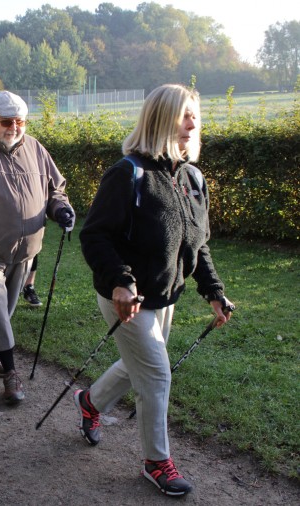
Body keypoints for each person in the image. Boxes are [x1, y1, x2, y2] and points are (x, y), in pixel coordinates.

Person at [77, 84, 234, 497]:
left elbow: (197, 245)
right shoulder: (128, 174)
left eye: (195, 115)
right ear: (161, 119)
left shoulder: (191, 177)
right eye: (184, 115)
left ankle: (89, 403)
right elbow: (95, 236)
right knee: (156, 376)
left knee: (139, 366)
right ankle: (156, 462)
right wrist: (120, 281)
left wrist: (214, 293)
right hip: (126, 301)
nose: (193, 123)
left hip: (166, 296)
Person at [0, 91, 75, 405]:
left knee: (2, 311)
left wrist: (60, 209)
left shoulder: (35, 148)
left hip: (25, 250)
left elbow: (55, 189)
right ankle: (10, 372)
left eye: (20, 121)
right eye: (7, 121)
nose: (15, 127)